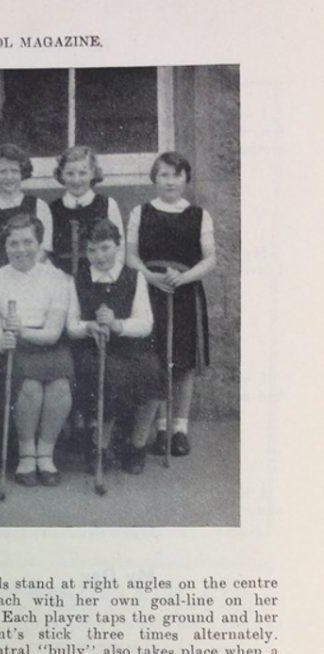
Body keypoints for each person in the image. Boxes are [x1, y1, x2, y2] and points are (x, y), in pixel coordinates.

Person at [126, 151, 216, 456]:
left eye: (176, 175)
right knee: (157, 359)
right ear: (155, 179)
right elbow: (130, 256)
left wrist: (185, 277)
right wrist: (150, 277)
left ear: (185, 179)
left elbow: (210, 259)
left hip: (185, 293)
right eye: (164, 175)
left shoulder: (199, 215)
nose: (170, 181)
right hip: (150, 291)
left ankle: (180, 429)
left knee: (183, 362)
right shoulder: (141, 212)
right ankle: (161, 427)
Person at [0, 212, 72, 486]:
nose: (21, 249)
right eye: (14, 243)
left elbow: (53, 332)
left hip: (48, 344)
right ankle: (26, 455)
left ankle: (46, 453)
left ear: (39, 243)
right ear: (5, 246)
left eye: (27, 242)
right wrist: (3, 342)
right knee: (30, 387)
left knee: (59, 387)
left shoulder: (56, 278)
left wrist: (22, 330)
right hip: (13, 350)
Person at [67, 219, 160, 475]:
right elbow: (71, 324)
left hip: (129, 347)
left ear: (118, 246)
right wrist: (89, 327)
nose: (99, 256)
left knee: (152, 370)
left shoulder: (133, 277)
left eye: (106, 248)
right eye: (92, 250)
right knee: (109, 374)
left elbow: (145, 323)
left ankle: (137, 445)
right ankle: (100, 446)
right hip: (92, 348)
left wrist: (118, 325)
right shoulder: (78, 279)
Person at [48, 145, 124, 277]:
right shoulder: (52, 209)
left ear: (93, 173)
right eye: (70, 173)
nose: (76, 180)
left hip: (98, 280)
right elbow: (47, 252)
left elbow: (119, 250)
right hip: (60, 282)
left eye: (82, 173)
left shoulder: (107, 204)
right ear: (61, 174)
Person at [0, 143, 53, 272]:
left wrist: (22, 276)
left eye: (14, 171)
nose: (9, 177)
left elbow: (45, 248)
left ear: (22, 173)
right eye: (3, 171)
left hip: (33, 277)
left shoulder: (39, 205)